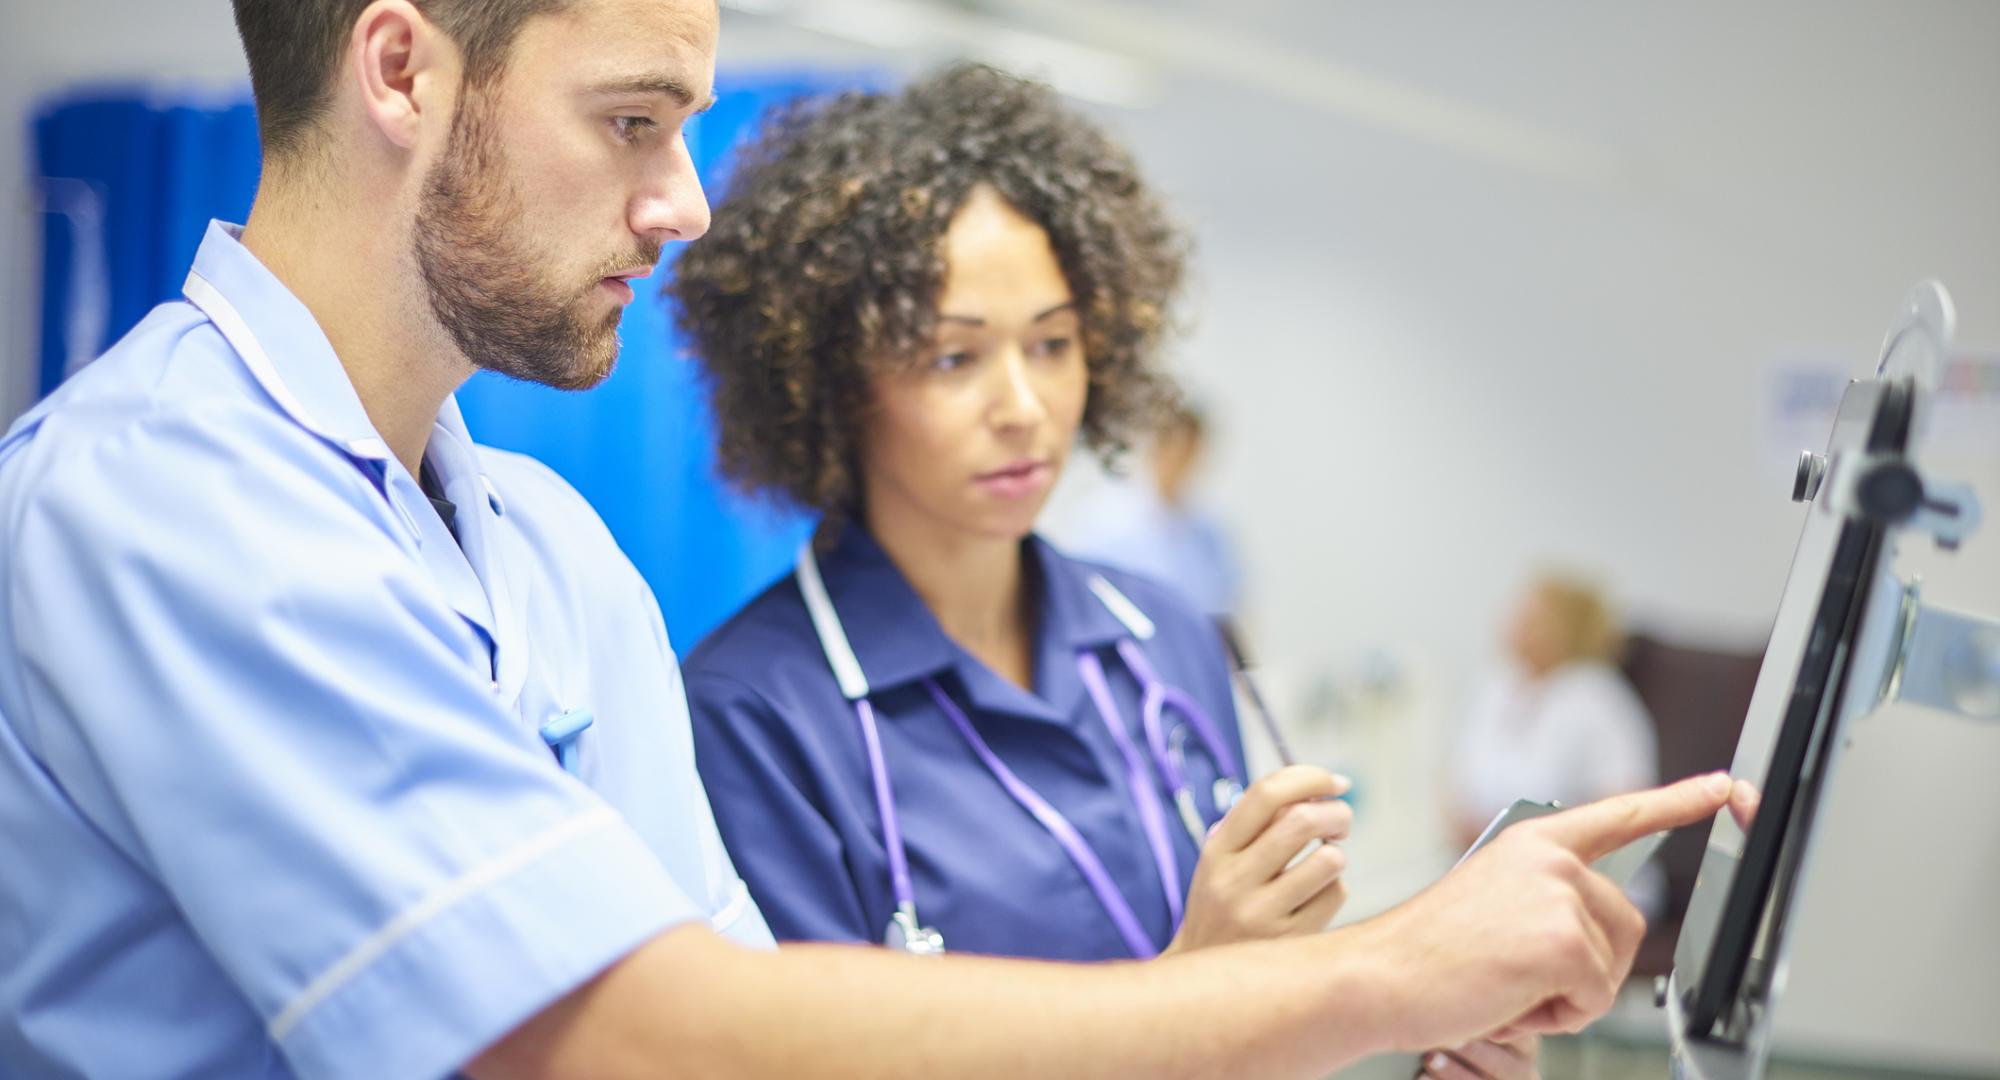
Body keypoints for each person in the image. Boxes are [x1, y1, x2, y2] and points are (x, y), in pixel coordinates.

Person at [0, 2, 1746, 1077]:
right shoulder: (160, 505)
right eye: (633, 119)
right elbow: (618, 1045)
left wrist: (1360, 1018)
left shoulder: (544, 550)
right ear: (400, 68)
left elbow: (768, 1032)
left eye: (1053, 347)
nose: (682, 200)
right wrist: (1358, 981)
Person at [673, 64, 1346, 965]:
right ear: (832, 385)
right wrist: (1191, 990)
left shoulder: (1165, 636)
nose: (1024, 405)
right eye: (955, 358)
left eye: (1053, 344)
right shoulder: (754, 712)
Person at [1451, 574, 1661, 853]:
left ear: (1571, 630)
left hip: (1576, 870)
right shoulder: (1497, 684)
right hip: (1494, 862)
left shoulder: (1598, 698)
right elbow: (1458, 785)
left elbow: (1626, 807)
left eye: (1535, 619)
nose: (1518, 625)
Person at [1067, 401, 1243, 619]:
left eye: (1189, 451)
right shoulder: (1108, 520)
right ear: (1156, 448)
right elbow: (1090, 595)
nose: (1180, 461)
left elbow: (1226, 602)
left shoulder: (1210, 529)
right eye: (1173, 449)